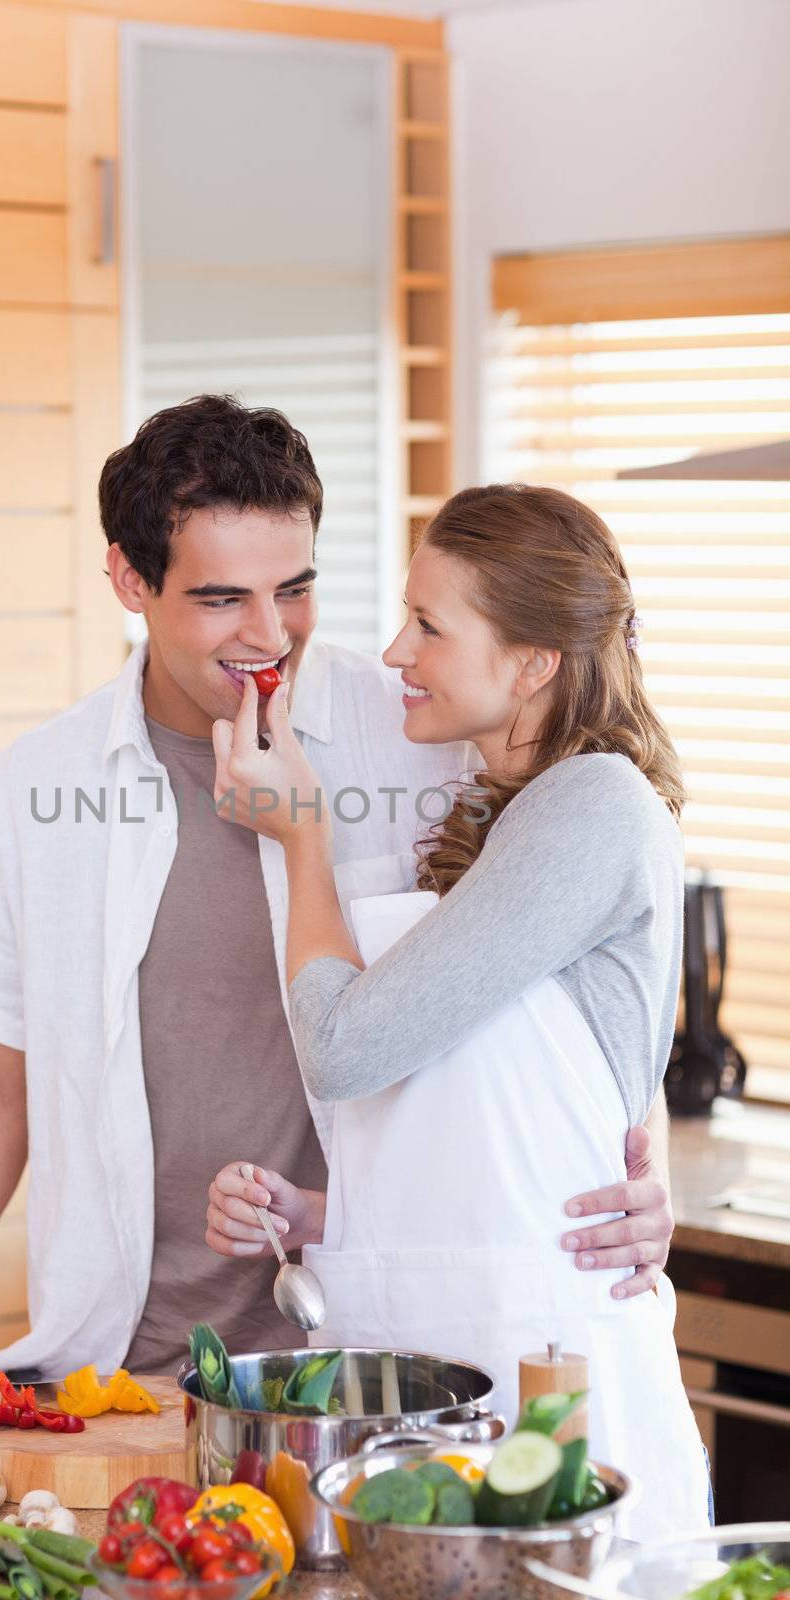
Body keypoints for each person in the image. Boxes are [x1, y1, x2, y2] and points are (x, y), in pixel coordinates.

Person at [0, 401, 674, 1436]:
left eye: (293, 589)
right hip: (133, 1372)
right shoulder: (36, 789)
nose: (267, 634)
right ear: (128, 580)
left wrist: (648, 1188)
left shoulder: (424, 728)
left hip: (383, 1363)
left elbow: (583, 973)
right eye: (219, 598)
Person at [206, 482, 710, 1539]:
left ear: (532, 662)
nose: (395, 652)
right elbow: (488, 1146)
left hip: (549, 1398)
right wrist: (321, 1212)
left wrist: (300, 838)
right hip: (445, 1379)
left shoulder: (591, 806)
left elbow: (343, 1048)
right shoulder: (505, 812)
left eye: (429, 626)